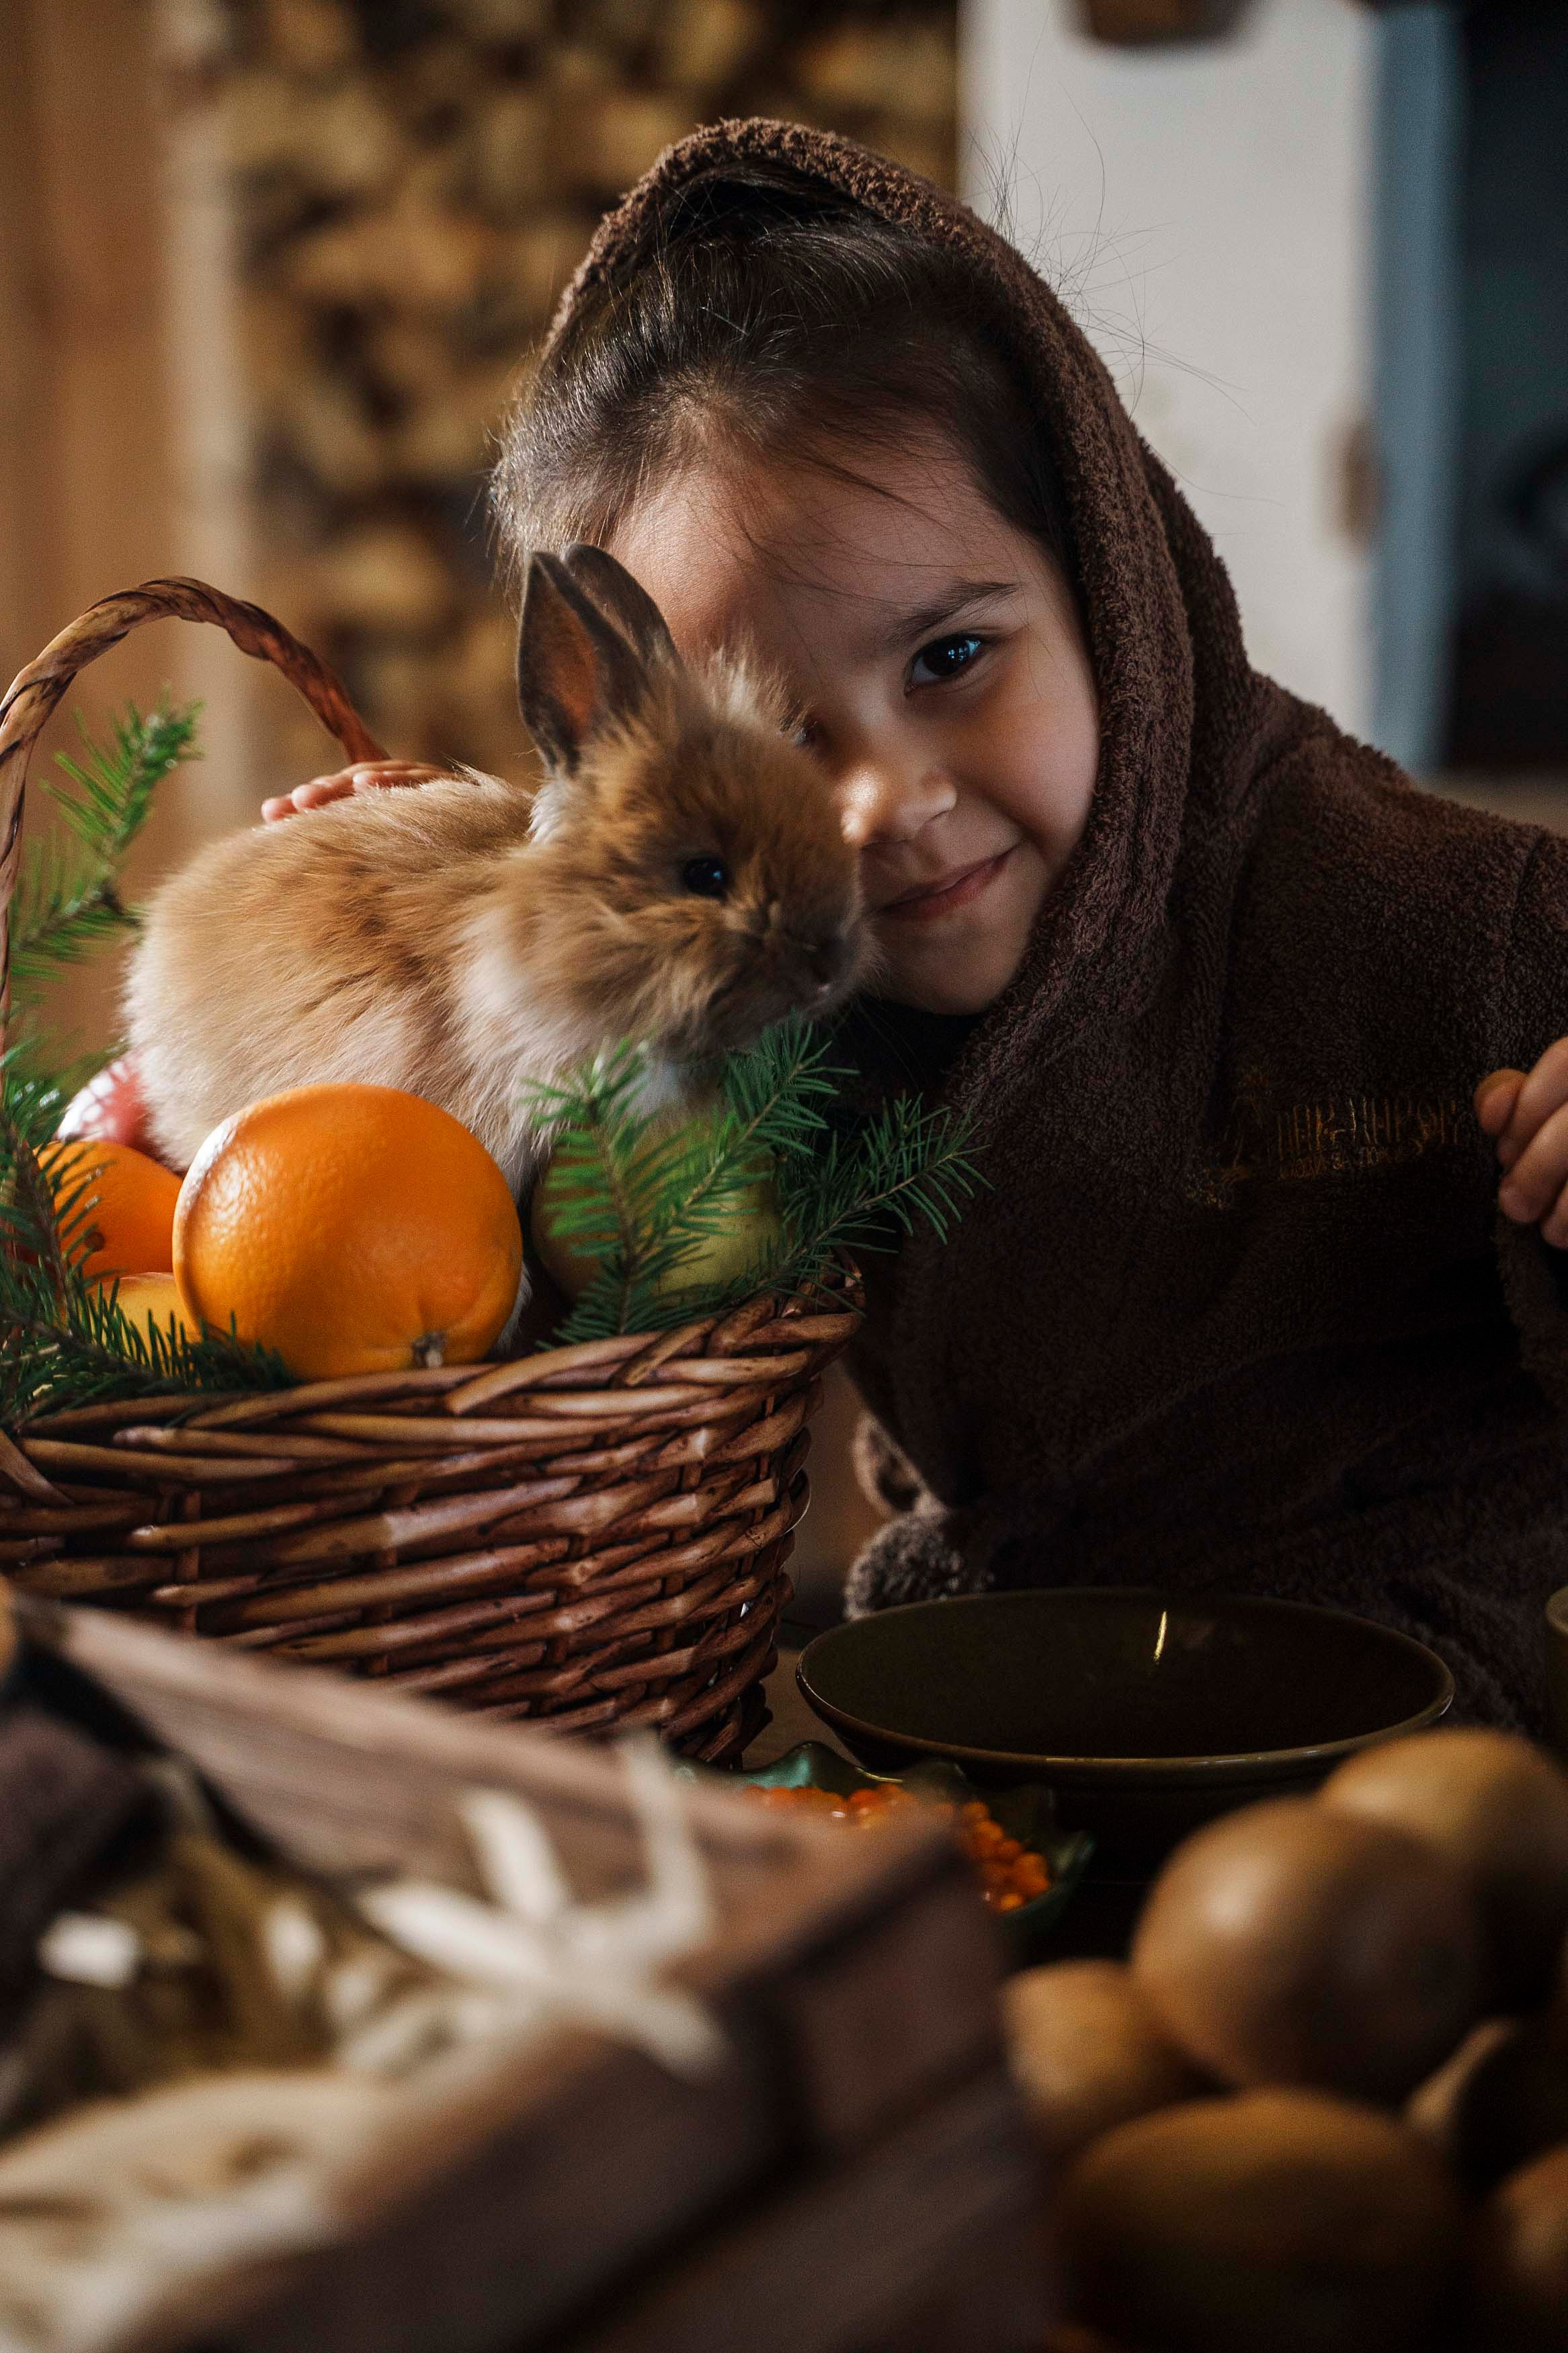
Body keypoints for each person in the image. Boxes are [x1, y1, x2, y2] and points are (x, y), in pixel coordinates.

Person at [74, 122, 1568, 1729]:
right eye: (778, 747)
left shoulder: (1447, 919)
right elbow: (542, 1225)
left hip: (1447, 1729)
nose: (884, 808)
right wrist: (428, 901)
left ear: (1109, 581)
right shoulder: (784, 995)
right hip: (992, 1710)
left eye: (950, 659)